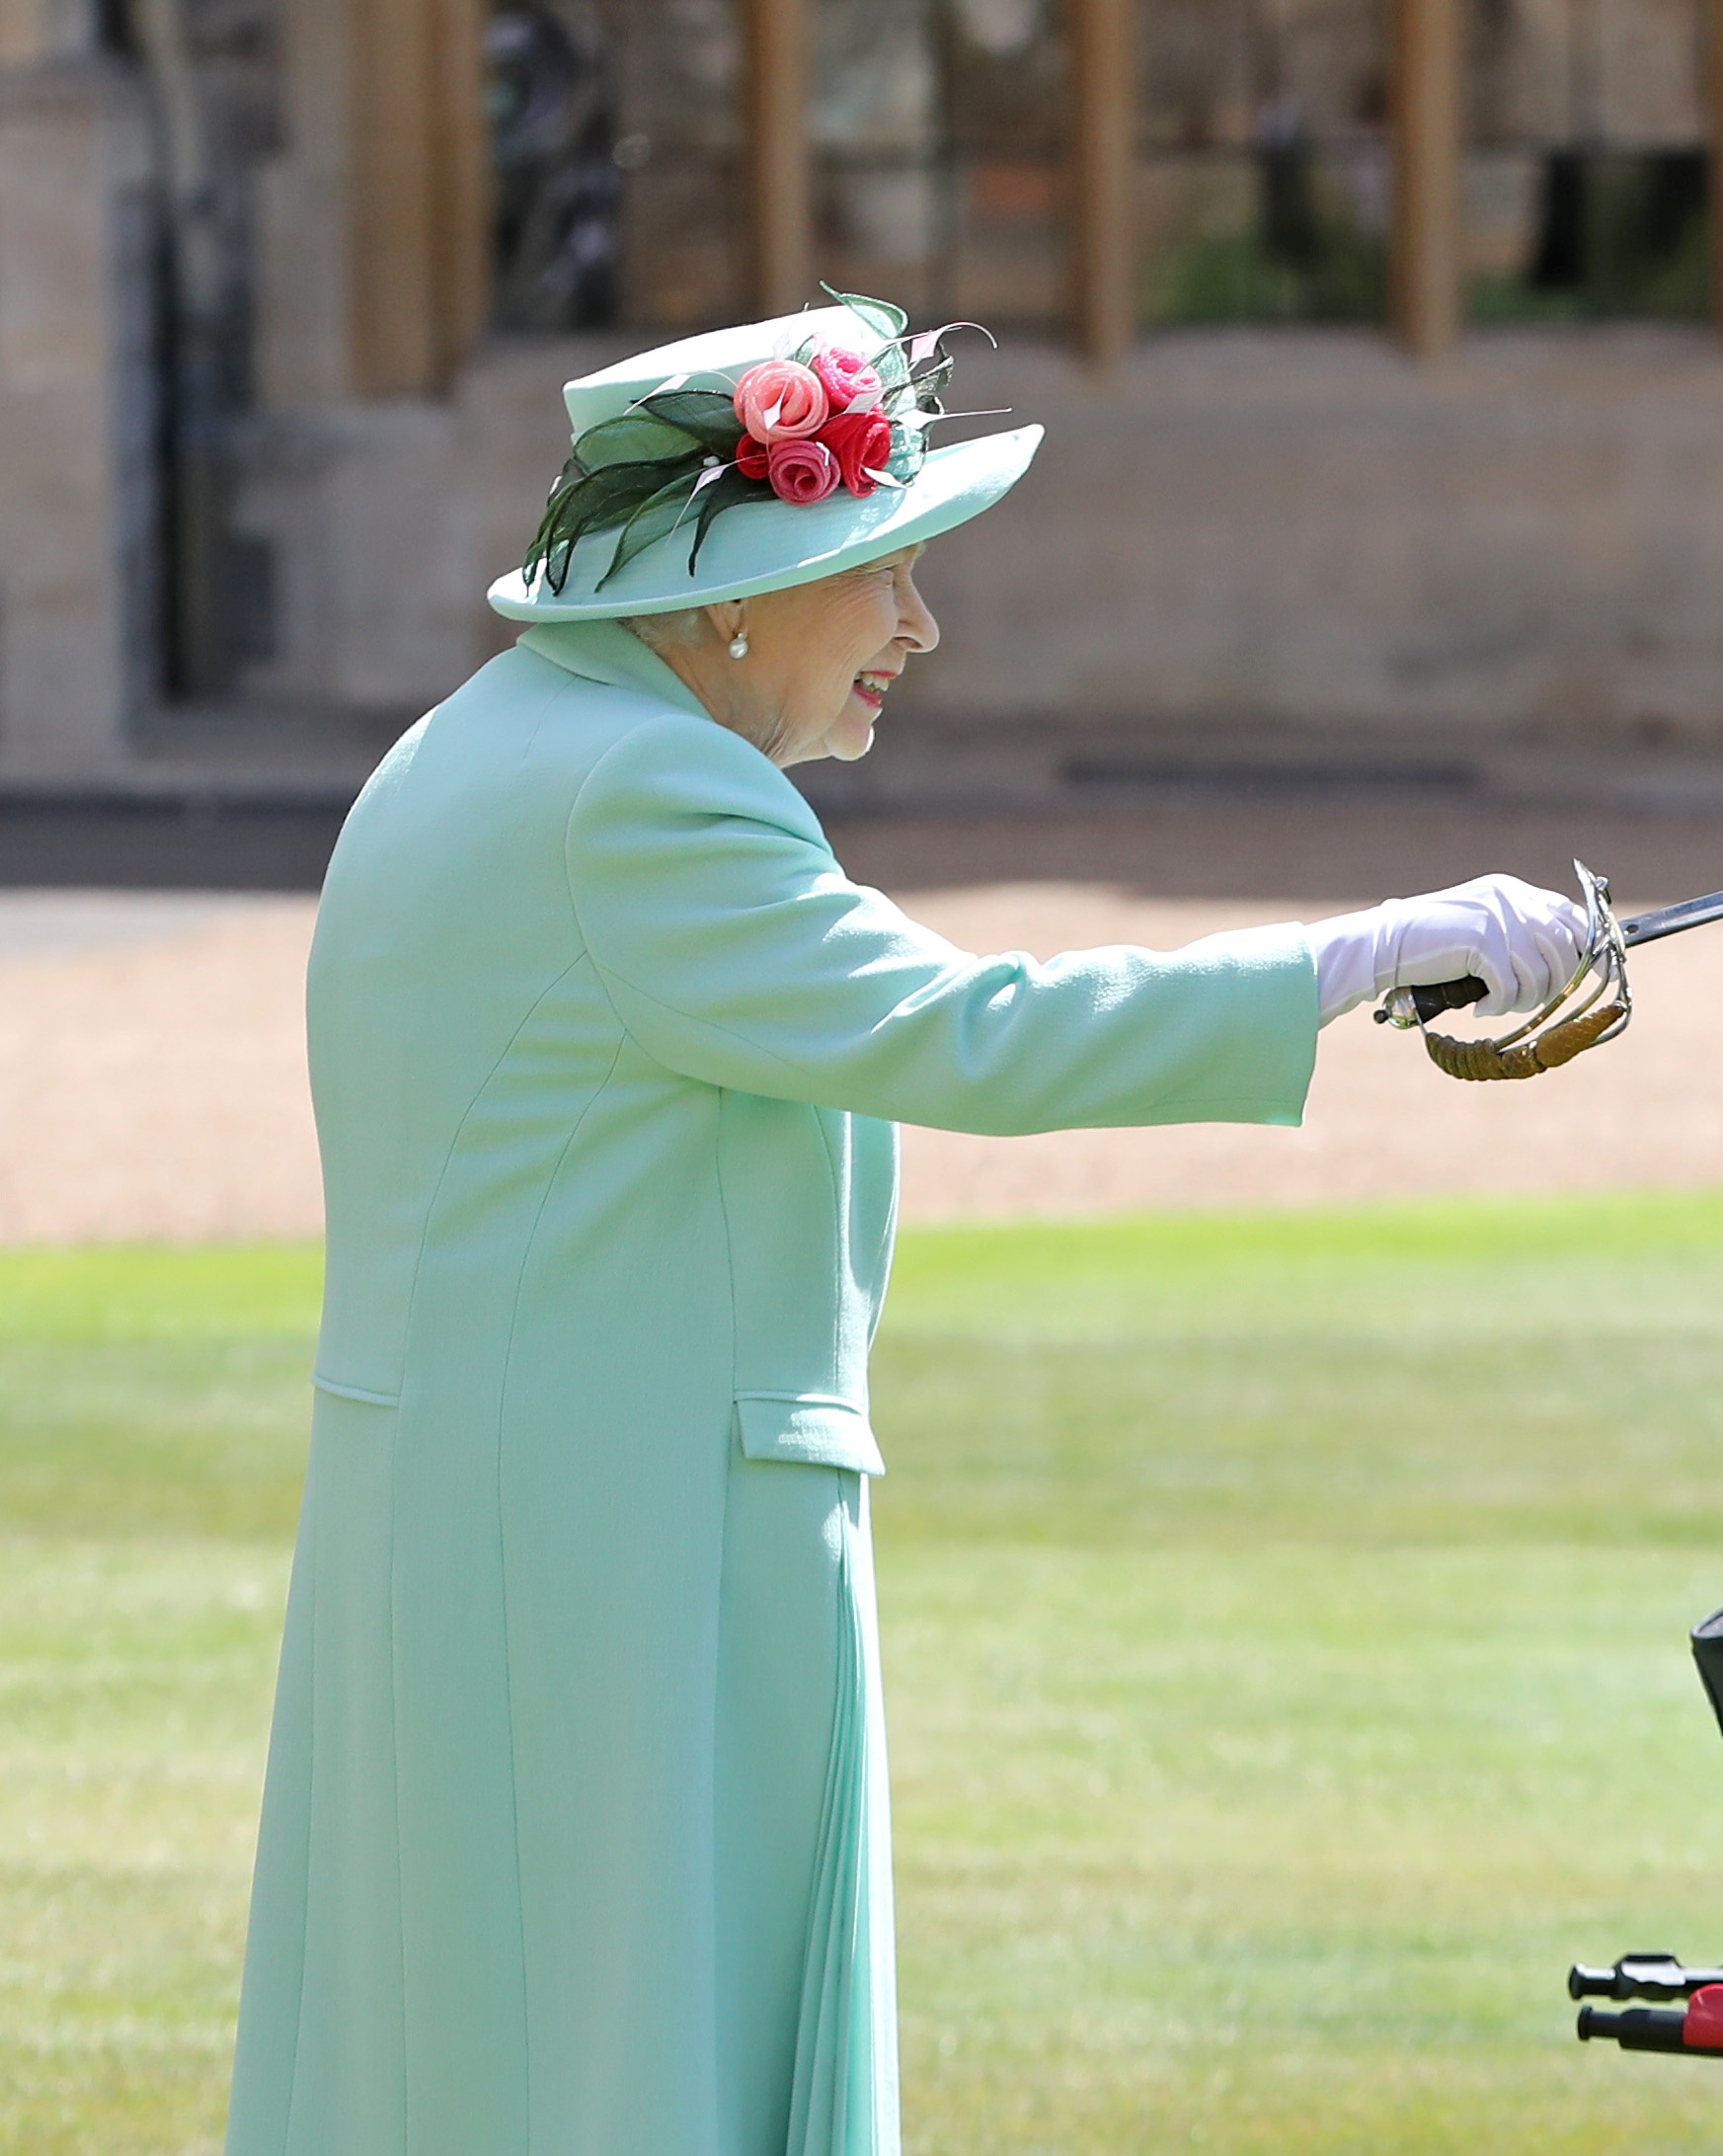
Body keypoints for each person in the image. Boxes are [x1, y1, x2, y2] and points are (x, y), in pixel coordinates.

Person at [222, 302, 1592, 2156]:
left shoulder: (485, 741)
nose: (917, 627)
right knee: (616, 2057)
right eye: (878, 570)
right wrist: (1359, 956)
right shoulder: (642, 790)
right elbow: (971, 1033)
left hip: (508, 1516)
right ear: (732, 591)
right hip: (609, 1546)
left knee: (479, 2046)